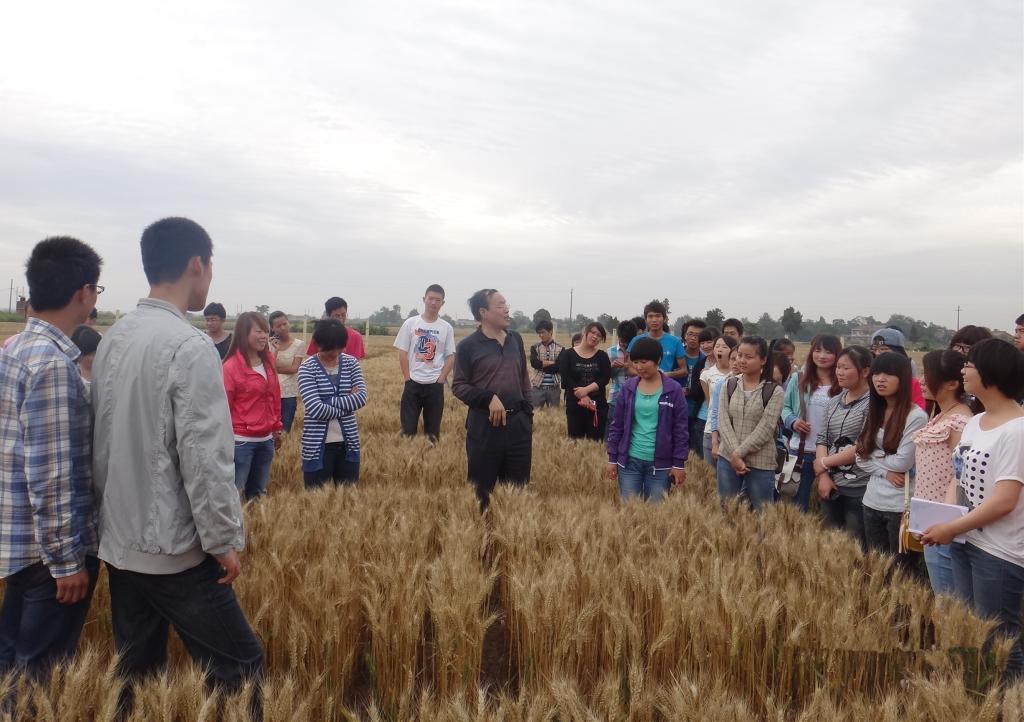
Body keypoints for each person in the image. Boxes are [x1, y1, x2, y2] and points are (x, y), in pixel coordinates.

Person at [91, 218, 263, 713]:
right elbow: (205, 459)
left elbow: (100, 441)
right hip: (174, 550)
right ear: (196, 265)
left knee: (137, 674)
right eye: (211, 266)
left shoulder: (115, 337)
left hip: (119, 542)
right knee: (242, 667)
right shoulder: (189, 346)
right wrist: (223, 540)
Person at [0, 237, 102, 678]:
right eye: (96, 290)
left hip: (18, 540)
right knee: (39, 676)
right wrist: (66, 562)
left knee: (10, 664)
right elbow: (52, 473)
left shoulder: (15, 350)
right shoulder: (54, 365)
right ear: (83, 292)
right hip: (48, 555)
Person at [921, 339, 1024, 681]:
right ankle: (974, 692)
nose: (963, 370)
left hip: (999, 552)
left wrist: (953, 527)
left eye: (971, 365)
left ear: (992, 372)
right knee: (969, 626)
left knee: (1000, 637)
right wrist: (948, 518)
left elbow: (1005, 500)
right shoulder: (976, 421)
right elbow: (959, 474)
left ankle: (1011, 698)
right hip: (966, 540)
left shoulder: (1017, 430)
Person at [452, 289, 533, 510]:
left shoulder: (515, 339)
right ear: (483, 312)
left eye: (506, 304)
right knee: (481, 495)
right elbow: (458, 386)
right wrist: (488, 398)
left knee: (517, 493)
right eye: (500, 305)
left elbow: (523, 377)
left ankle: (513, 533)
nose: (506, 309)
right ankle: (482, 532)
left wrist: (528, 411)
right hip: (484, 429)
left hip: (518, 428)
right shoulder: (468, 346)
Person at [856, 352, 928, 571]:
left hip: (899, 506)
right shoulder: (874, 410)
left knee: (901, 571)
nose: (880, 379)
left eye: (888, 374)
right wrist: (885, 472)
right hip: (871, 500)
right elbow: (859, 457)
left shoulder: (915, 416)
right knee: (876, 567)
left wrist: (873, 456)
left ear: (903, 378)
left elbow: (902, 463)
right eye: (876, 373)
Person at [912, 350, 974, 595]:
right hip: (931, 518)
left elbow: (959, 476)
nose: (922, 381)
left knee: (947, 596)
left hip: (944, 521)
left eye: (928, 375)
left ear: (952, 383)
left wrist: (946, 520)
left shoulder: (960, 421)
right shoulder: (940, 415)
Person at [606, 337, 688, 502]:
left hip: (661, 465)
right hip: (630, 461)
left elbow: (680, 429)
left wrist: (678, 463)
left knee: (656, 512)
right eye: (635, 362)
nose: (639, 367)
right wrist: (612, 458)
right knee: (629, 510)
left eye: (644, 362)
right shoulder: (628, 388)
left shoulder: (673, 390)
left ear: (658, 360)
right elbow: (617, 426)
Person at [813, 346, 873, 548]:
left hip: (860, 486)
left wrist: (823, 463)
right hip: (830, 484)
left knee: (856, 545)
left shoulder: (873, 404)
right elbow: (822, 438)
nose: (839, 372)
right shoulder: (833, 402)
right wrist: (823, 475)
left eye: (846, 368)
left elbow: (862, 447)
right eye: (838, 367)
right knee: (830, 543)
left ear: (865, 371)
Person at [715, 336, 785, 510]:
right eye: (739, 355)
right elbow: (723, 421)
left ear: (763, 360)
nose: (742, 360)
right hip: (728, 458)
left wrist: (738, 454)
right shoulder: (729, 385)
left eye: (748, 357)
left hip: (760, 461)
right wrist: (734, 455)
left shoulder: (774, 390)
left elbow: (766, 428)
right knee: (728, 509)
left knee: (762, 512)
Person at [297, 319, 368, 488]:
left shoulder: (351, 363)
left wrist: (327, 401)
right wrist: (348, 404)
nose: (336, 353)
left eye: (340, 347)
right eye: (330, 348)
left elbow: (361, 398)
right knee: (315, 498)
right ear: (319, 344)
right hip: (316, 446)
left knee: (348, 497)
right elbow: (316, 409)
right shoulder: (307, 369)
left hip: (349, 444)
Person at [223, 312, 283, 500]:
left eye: (266, 331)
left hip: (266, 440)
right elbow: (224, 408)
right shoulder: (230, 367)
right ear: (244, 333)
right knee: (236, 495)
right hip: (241, 442)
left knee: (258, 496)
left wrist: (276, 428)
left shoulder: (269, 361)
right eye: (259, 331)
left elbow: (274, 397)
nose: (265, 336)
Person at [782, 335, 842, 512]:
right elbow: (784, 407)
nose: (822, 356)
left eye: (828, 352)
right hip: (801, 451)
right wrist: (793, 422)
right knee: (797, 506)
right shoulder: (798, 378)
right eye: (817, 350)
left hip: (833, 455)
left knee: (829, 507)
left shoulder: (843, 383)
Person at [394, 284, 456, 443]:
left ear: (443, 303)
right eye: (431, 299)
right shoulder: (411, 323)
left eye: (438, 300)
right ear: (424, 299)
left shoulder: (446, 328)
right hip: (413, 384)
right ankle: (407, 456)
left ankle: (432, 457)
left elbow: (450, 356)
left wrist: (441, 379)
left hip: (435, 385)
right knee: (408, 431)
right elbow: (402, 352)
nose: (434, 303)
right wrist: (407, 378)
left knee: (433, 433)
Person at [553, 322, 611, 440]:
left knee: (595, 443)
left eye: (599, 335)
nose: (595, 337)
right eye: (593, 332)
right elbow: (566, 379)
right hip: (575, 405)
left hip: (597, 406)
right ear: (585, 332)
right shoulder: (567, 355)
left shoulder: (602, 356)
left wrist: (586, 390)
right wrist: (583, 396)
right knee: (575, 442)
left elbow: (605, 378)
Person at [627, 301, 687, 380]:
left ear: (664, 319)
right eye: (650, 316)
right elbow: (630, 369)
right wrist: (647, 375)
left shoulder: (675, 341)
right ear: (646, 319)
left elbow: (684, 370)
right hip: (641, 385)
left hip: (665, 385)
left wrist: (666, 375)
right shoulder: (636, 341)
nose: (654, 320)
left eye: (658, 316)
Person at [700, 335, 737, 462]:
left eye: (724, 347)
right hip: (712, 429)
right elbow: (710, 403)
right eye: (717, 346)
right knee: (710, 472)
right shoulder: (706, 374)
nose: (719, 349)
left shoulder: (739, 376)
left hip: (734, 431)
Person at [871, 328, 926, 411]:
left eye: (883, 349)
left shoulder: (911, 380)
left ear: (898, 351)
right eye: (874, 349)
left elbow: (919, 411)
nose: (877, 353)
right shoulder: (869, 375)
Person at [686, 326, 720, 457]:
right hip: (703, 417)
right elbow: (694, 395)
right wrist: (703, 379)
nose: (705, 346)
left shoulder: (727, 365)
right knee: (702, 458)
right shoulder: (699, 365)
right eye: (702, 343)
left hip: (721, 419)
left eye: (709, 342)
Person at [269, 311, 305, 433]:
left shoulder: (299, 344)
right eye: (278, 326)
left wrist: (273, 369)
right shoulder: (268, 344)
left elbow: (294, 369)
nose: (283, 328)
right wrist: (274, 350)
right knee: (269, 430)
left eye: (284, 324)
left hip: (288, 394)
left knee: (284, 431)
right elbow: (266, 366)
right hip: (270, 392)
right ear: (272, 328)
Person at [680, 320, 708, 449]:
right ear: (684, 335)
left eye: (697, 335)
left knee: (695, 451)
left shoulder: (706, 360)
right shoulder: (676, 357)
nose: (693, 338)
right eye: (690, 334)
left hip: (697, 412)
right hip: (677, 410)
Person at [528, 319, 563, 410]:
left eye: (543, 332)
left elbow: (559, 367)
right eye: (539, 333)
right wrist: (553, 362)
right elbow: (534, 363)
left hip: (554, 387)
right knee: (535, 413)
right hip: (538, 387)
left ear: (550, 331)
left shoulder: (561, 348)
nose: (541, 335)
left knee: (554, 415)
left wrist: (541, 364)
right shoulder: (535, 347)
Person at [608, 320, 638, 419]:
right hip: (615, 398)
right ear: (618, 336)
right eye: (622, 341)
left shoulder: (639, 353)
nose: (624, 344)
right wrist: (611, 366)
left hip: (635, 399)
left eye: (627, 342)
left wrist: (629, 366)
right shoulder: (610, 352)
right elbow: (605, 377)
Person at [70, 324, 102, 395]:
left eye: (99, 352)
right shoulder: (73, 378)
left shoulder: (106, 372)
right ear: (79, 356)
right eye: (92, 354)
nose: (97, 357)